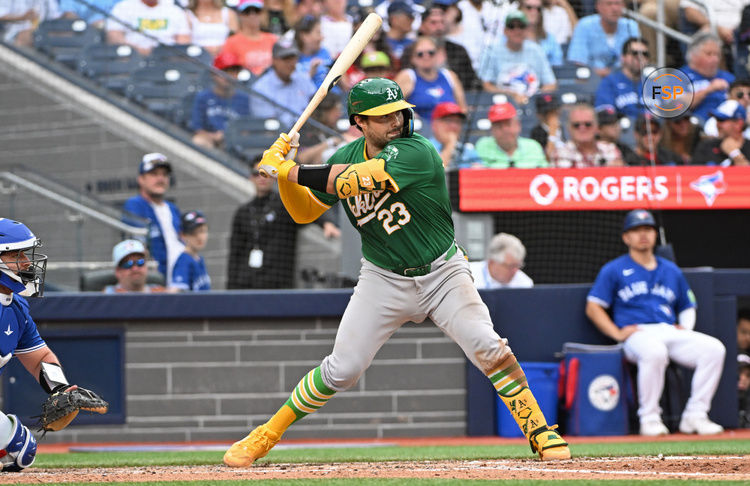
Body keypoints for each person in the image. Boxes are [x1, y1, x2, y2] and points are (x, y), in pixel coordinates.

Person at [222, 77, 571, 467]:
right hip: (383, 276)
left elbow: (357, 180)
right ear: (360, 122)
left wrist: (288, 169)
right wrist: (283, 176)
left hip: (442, 272)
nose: (395, 120)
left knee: (486, 345)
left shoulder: (417, 150)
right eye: (382, 116)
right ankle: (265, 434)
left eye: (398, 112)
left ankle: (540, 430)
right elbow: (304, 211)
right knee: (343, 368)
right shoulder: (347, 152)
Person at [586, 209, 726, 436]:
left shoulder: (670, 270)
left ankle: (695, 416)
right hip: (637, 334)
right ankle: (649, 419)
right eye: (636, 230)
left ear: (654, 234)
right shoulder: (614, 269)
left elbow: (687, 304)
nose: (643, 235)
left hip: (668, 329)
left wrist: (686, 328)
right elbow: (593, 306)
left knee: (714, 349)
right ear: (626, 237)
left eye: (648, 229)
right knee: (654, 351)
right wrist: (617, 333)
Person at [0, 218, 106, 472]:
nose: (26, 263)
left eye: (25, 254)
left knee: (21, 452)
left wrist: (61, 390)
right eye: (16, 255)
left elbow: (39, 357)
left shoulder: (15, 305)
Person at [227, 157, 340, 289]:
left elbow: (307, 206)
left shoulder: (285, 204)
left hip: (279, 282)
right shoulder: (243, 212)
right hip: (247, 283)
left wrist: (326, 223)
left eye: (266, 174)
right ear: (250, 177)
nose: (261, 178)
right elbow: (235, 254)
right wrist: (231, 288)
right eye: (256, 174)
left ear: (273, 176)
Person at [122, 153, 184, 280]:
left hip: (179, 278)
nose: (160, 179)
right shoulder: (135, 205)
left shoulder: (172, 208)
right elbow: (138, 246)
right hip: (156, 281)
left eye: (164, 175)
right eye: (154, 174)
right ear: (141, 179)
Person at [480, 11, 557, 106]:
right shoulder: (492, 51)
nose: (517, 31)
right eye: (512, 27)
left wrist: (532, 97)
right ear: (505, 30)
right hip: (503, 104)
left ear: (527, 29)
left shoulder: (536, 50)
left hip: (533, 104)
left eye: (521, 26)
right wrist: (510, 95)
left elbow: (551, 84)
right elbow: (486, 85)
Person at [393, 36, 467, 123]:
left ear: (438, 55)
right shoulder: (408, 76)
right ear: (413, 58)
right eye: (420, 54)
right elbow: (393, 106)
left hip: (448, 127)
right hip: (419, 131)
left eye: (431, 53)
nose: (426, 57)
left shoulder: (449, 76)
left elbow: (463, 109)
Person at [190, 51, 251, 149]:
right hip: (211, 142)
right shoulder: (203, 97)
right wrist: (216, 136)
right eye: (225, 71)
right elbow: (198, 129)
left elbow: (246, 130)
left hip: (235, 144)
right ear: (214, 74)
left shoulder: (244, 99)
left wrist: (228, 136)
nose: (229, 76)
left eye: (233, 72)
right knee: (199, 140)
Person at [250, 39, 317, 128]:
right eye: (285, 59)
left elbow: (318, 107)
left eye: (292, 58)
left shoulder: (303, 79)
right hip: (280, 136)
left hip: (309, 131)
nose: (290, 63)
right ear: (274, 60)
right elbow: (269, 126)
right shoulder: (261, 88)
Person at [566, 0, 640, 77]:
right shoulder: (584, 25)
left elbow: (637, 58)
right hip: (590, 80)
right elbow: (578, 61)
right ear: (598, 6)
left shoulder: (631, 26)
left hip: (624, 79)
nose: (614, 8)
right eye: (609, 4)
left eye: (618, 4)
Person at [417, 5, 481, 91]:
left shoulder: (458, 50)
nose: (439, 27)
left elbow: (473, 82)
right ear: (422, 26)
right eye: (433, 23)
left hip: (456, 99)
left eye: (442, 22)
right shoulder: (411, 51)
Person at [476, 102, 549, 168]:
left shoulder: (533, 147)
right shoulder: (482, 147)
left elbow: (544, 174)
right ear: (492, 129)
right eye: (498, 126)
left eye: (508, 124)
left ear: (518, 125)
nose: (505, 130)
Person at [106, 0, 190, 57]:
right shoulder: (123, 6)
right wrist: (137, 50)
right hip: (131, 57)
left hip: (166, 58)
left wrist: (161, 53)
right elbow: (114, 36)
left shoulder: (174, 10)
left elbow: (183, 41)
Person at [682, 33, 735, 122]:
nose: (715, 59)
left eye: (717, 55)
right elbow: (677, 106)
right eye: (709, 54)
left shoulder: (728, 78)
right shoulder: (680, 76)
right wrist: (709, 89)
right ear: (693, 56)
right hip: (695, 127)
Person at [553, 103, 624, 167]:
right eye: (576, 125)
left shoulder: (610, 149)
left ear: (597, 127)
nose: (582, 128)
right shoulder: (561, 153)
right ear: (569, 128)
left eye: (588, 124)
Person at [594, 37, 649, 119]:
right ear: (623, 57)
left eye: (644, 54)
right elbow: (605, 116)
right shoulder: (610, 83)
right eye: (634, 53)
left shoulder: (654, 84)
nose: (639, 57)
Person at [221, 0, 278, 76]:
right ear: (240, 14)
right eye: (247, 12)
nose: (252, 15)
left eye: (257, 11)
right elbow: (228, 70)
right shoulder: (231, 42)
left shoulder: (272, 39)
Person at [692, 100, 750, 166]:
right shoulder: (706, 146)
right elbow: (693, 173)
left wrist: (735, 154)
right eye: (717, 120)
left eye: (722, 120)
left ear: (738, 124)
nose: (717, 124)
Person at [427, 101, 481, 168]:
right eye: (448, 120)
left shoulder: (467, 149)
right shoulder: (424, 148)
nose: (454, 126)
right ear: (434, 124)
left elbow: (482, 172)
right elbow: (435, 173)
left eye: (458, 121)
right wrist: (450, 144)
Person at [170, 211, 211, 291]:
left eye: (202, 231)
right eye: (193, 233)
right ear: (183, 235)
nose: (199, 237)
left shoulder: (199, 259)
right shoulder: (184, 261)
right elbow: (175, 292)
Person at [294, 15, 334, 90]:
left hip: (333, 97)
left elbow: (344, 86)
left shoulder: (325, 52)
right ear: (304, 36)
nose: (322, 37)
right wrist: (311, 72)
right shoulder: (294, 58)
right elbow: (295, 90)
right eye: (318, 33)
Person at [521, 0, 563, 66]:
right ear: (520, 9)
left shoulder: (550, 39)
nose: (534, 12)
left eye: (538, 9)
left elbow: (557, 66)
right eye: (529, 7)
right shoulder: (511, 36)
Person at [530, 92, 564, 161]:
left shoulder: (566, 127)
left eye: (554, 111)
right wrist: (552, 134)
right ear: (539, 115)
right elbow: (545, 158)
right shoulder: (537, 132)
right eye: (547, 112)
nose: (551, 115)